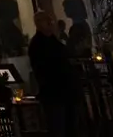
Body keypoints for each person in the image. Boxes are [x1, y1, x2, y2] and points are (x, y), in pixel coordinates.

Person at [30, 9, 82, 137]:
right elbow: (44, 68)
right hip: (53, 93)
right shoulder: (37, 44)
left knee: (70, 127)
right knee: (58, 128)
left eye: (51, 21)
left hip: (66, 91)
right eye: (47, 21)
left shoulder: (53, 40)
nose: (51, 23)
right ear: (38, 24)